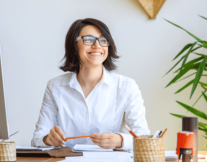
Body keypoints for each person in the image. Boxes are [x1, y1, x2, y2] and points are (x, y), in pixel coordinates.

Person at [31, 18, 150, 151]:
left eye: (103, 40)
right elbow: (38, 138)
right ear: (74, 45)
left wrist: (120, 140)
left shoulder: (126, 86)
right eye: (88, 39)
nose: (97, 46)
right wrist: (48, 139)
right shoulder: (55, 86)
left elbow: (143, 135)